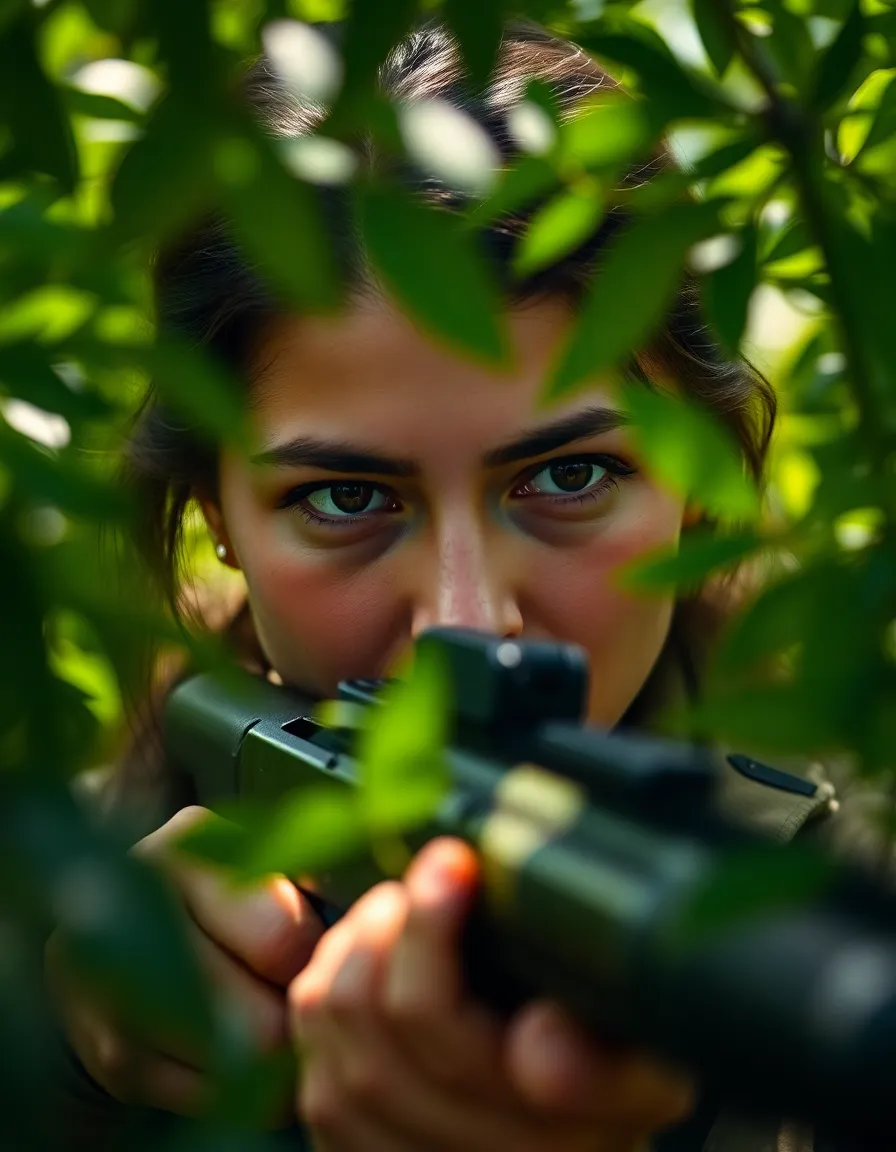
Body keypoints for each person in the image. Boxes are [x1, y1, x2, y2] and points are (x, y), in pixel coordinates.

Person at [44, 18, 855, 1152]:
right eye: (345, 498)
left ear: (701, 489)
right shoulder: (54, 884)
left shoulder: (843, 911)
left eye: (569, 477)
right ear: (216, 518)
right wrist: (64, 1065)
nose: (468, 624)